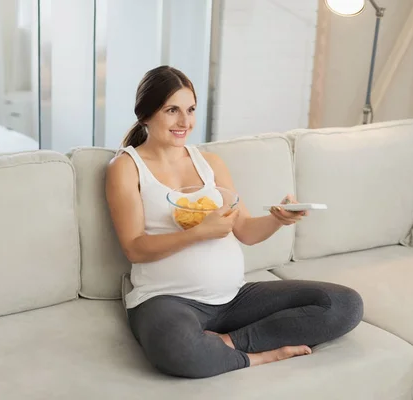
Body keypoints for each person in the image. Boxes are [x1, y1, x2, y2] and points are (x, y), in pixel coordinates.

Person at [105, 65, 364, 379]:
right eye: (172, 110)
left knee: (343, 304)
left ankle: (229, 343)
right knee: (177, 348)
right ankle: (259, 357)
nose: (184, 122)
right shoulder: (127, 167)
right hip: (166, 299)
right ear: (146, 114)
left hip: (234, 299)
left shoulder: (210, 163)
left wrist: (276, 219)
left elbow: (245, 231)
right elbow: (135, 248)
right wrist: (200, 233)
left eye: (190, 110)